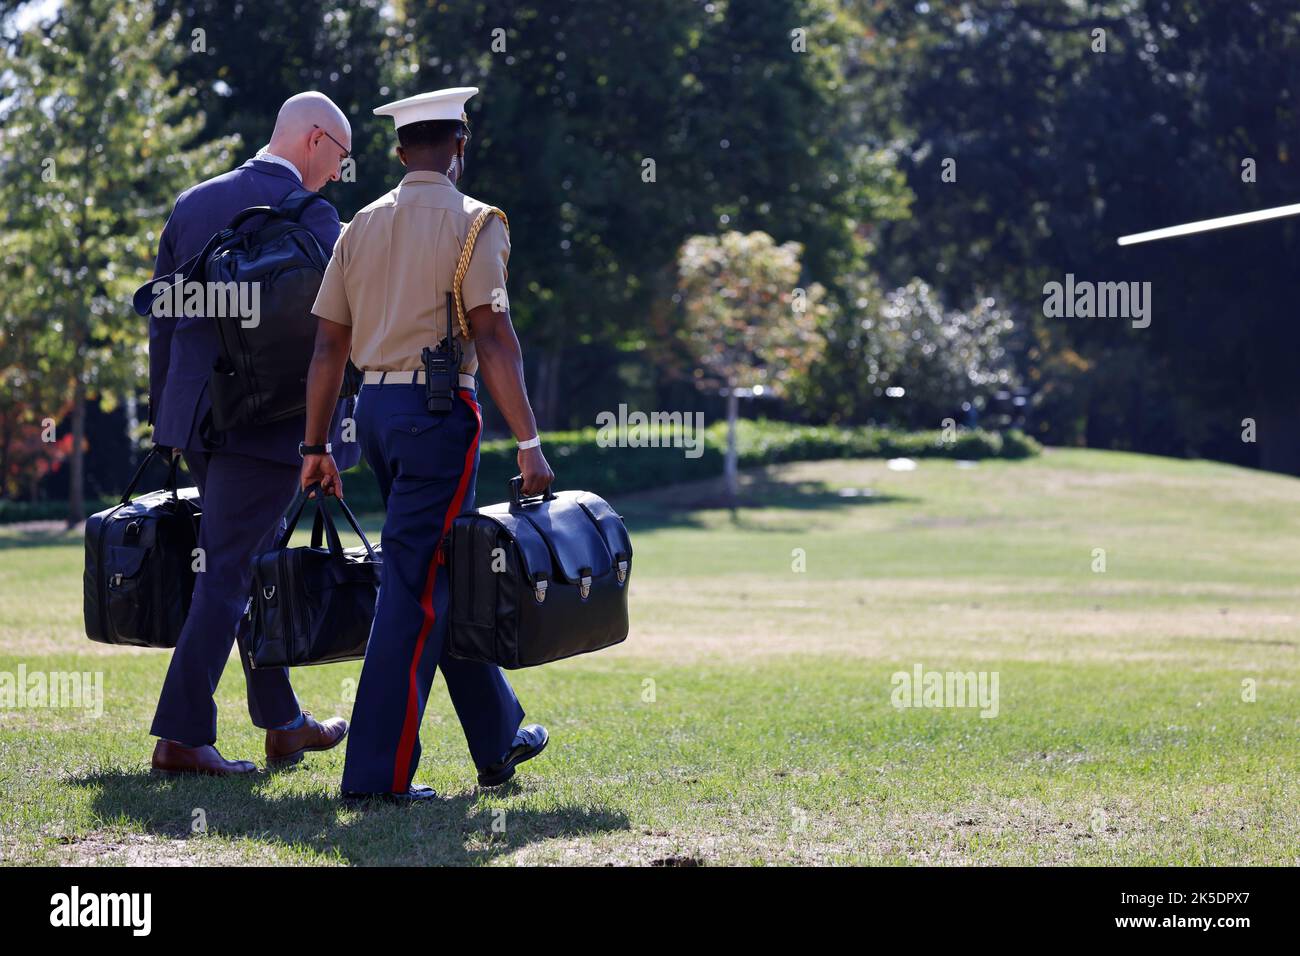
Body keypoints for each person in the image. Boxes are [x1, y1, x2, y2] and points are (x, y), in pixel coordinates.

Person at [300, 87, 552, 804]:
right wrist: (529, 443)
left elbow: (327, 346)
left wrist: (314, 445)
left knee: (435, 572)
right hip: (438, 416)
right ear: (460, 149)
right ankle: (377, 779)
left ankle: (497, 736)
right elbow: (495, 338)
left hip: (374, 412)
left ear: (402, 151)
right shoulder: (477, 223)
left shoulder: (362, 224)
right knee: (412, 589)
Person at [145, 92, 358, 776]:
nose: (339, 171)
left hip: (200, 419)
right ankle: (181, 736)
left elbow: (164, 319)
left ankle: (283, 722)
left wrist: (166, 417)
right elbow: (337, 330)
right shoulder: (316, 216)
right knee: (232, 571)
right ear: (315, 139)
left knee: (243, 563)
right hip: (267, 427)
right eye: (342, 156)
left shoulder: (193, 201)